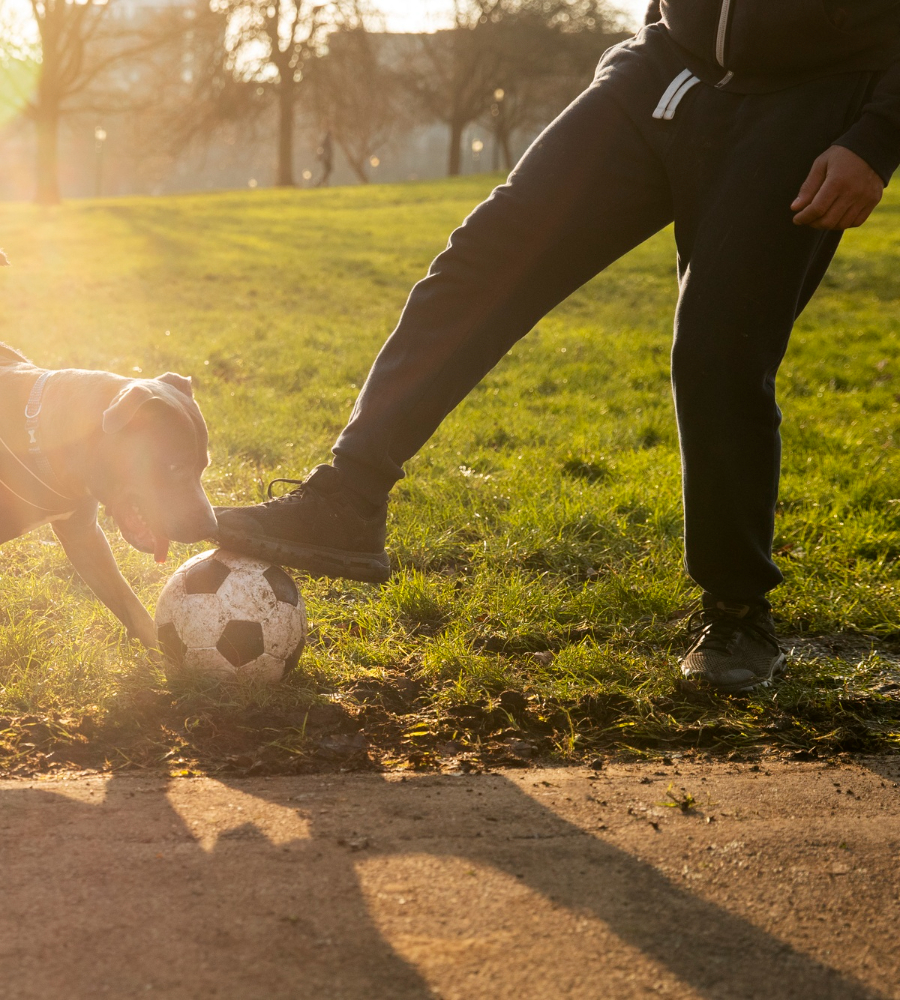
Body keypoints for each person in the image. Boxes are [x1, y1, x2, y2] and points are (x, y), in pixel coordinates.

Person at [215, 0, 899, 694]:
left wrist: (878, 135)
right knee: (487, 258)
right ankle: (348, 495)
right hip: (667, 71)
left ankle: (737, 613)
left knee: (718, 350)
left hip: (814, 99)